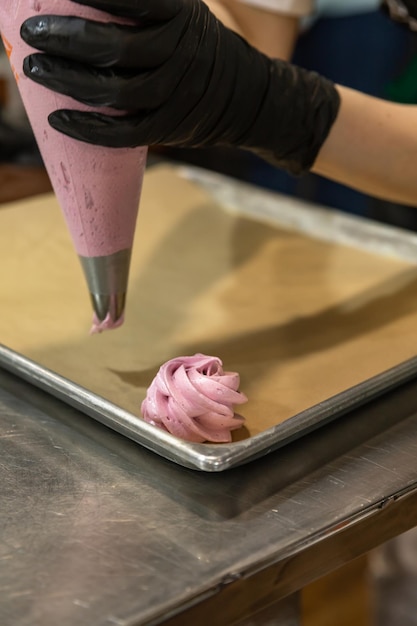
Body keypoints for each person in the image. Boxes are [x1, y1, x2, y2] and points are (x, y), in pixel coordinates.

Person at [20, 0, 417, 207]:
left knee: (338, 187)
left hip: (350, 14)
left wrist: (274, 102)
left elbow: (261, 48)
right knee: (270, 168)